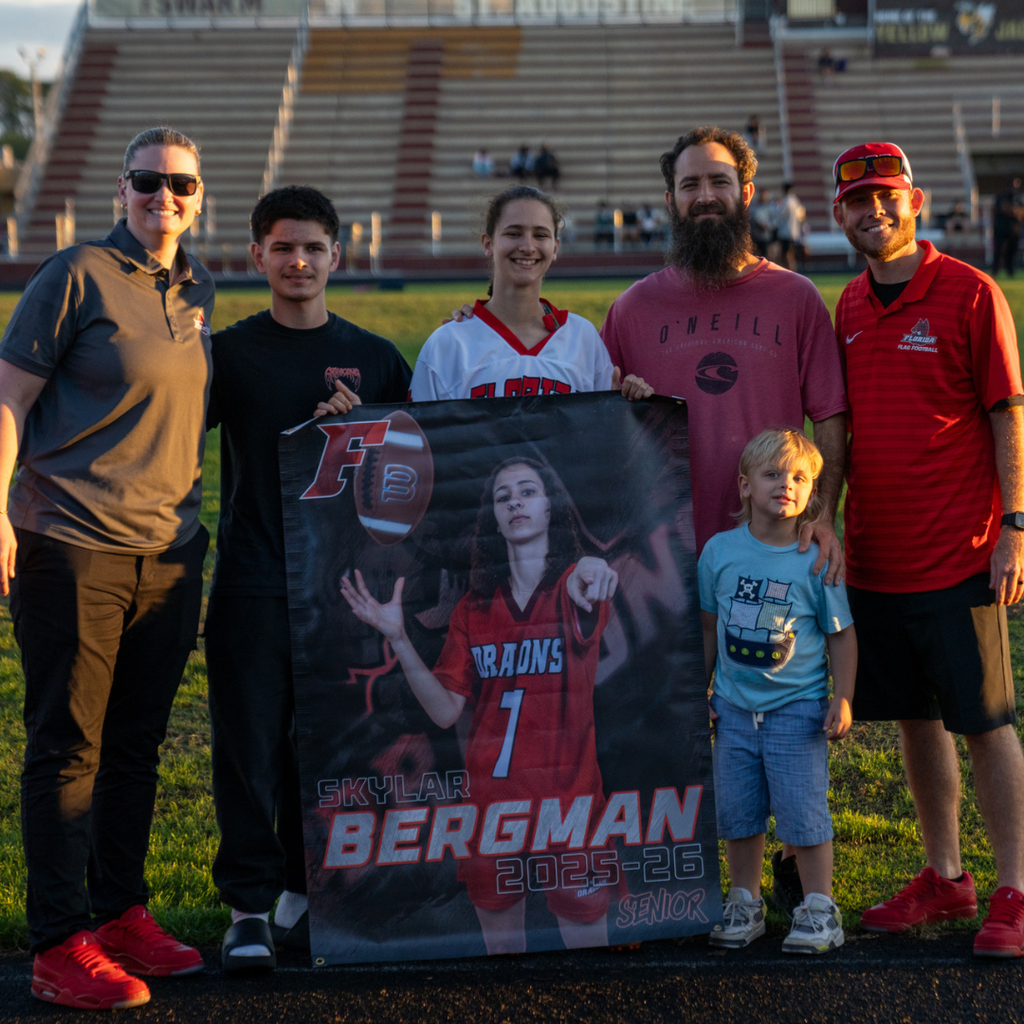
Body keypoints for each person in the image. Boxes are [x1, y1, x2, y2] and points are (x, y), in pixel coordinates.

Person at [601, 126, 848, 914]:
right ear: (669, 200)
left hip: (774, 555)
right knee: (670, 718)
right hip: (666, 559)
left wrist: (826, 517)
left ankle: (792, 863)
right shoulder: (634, 308)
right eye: (689, 185)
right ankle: (670, 876)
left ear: (747, 192)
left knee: (786, 713)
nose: (704, 196)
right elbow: (596, 428)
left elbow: (832, 421)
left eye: (718, 181)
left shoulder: (796, 298)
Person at [0, 126, 212, 1010]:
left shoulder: (199, 288)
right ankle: (58, 942)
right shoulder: (77, 273)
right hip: (72, 541)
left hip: (168, 552)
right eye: (147, 181)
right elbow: (8, 397)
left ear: (201, 195)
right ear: (120, 190)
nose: (164, 196)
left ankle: (120, 911)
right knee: (67, 746)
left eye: (181, 185)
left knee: (135, 747)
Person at [206, 186, 412, 972]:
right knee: (249, 745)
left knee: (331, 745)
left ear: (339, 256)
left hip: (345, 585)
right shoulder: (229, 353)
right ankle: (249, 907)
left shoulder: (377, 356)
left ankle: (305, 893)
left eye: (313, 248)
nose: (299, 261)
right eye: (283, 247)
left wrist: (360, 432)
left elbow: (415, 476)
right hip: (254, 576)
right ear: (257, 256)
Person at [831, 141, 1024, 958]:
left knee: (985, 723)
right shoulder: (844, 304)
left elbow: (1008, 413)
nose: (871, 211)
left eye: (885, 197)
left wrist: (1017, 526)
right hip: (877, 555)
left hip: (962, 551)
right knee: (914, 718)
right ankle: (945, 875)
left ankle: (1014, 888)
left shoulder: (971, 293)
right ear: (836, 214)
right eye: (856, 201)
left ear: (916, 200)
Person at [341, 457, 620, 954]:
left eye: (528, 491)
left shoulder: (573, 584)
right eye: (503, 495)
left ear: (550, 506)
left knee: (589, 962)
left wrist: (594, 569)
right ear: (493, 517)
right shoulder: (475, 607)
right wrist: (399, 637)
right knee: (503, 960)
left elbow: (588, 580)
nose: (515, 501)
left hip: (571, 806)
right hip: (494, 808)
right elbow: (446, 711)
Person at [700, 429, 855, 954]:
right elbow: (707, 629)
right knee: (739, 814)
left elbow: (841, 635)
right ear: (744, 485)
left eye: (798, 478)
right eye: (771, 474)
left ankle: (819, 909)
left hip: (797, 712)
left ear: (812, 493)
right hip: (734, 710)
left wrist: (843, 696)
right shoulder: (719, 552)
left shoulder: (817, 558)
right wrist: (702, 690)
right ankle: (745, 901)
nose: (785, 485)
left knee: (804, 813)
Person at [410, 185, 632, 402]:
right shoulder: (447, 344)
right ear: (488, 244)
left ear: (555, 248)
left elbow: (602, 433)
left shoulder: (582, 339)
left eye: (540, 235)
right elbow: (423, 436)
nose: (527, 246)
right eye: (514, 233)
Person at [992, 176, 1022, 277]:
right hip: (1002, 229)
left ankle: (1011, 272)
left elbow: (1021, 212)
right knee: (999, 252)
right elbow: (1003, 209)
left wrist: (1014, 211)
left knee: (1012, 252)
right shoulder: (1001, 196)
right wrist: (1014, 211)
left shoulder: (1018, 197)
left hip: (1014, 230)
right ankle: (995, 272)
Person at [773, 183, 805, 272]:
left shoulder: (785, 201)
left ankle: (790, 274)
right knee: (791, 255)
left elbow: (779, 214)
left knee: (785, 255)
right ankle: (793, 273)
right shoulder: (796, 201)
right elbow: (801, 215)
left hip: (785, 232)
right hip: (794, 232)